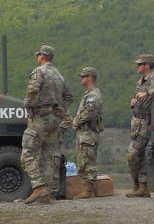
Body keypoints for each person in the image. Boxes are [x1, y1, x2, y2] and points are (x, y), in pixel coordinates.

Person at [21, 45, 73, 204]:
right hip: (55, 120)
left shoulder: (39, 71)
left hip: (40, 117)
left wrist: (29, 105)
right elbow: (69, 97)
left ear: (42, 56)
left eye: (38, 55)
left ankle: (38, 187)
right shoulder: (59, 76)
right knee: (48, 156)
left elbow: (32, 90)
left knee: (27, 154)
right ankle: (48, 194)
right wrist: (60, 110)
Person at [126, 54, 154, 198]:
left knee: (133, 153)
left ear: (147, 66)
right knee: (140, 155)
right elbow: (138, 96)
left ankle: (139, 185)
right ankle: (141, 187)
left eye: (140, 64)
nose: (137, 67)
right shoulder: (140, 81)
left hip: (146, 122)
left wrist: (147, 93)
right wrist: (133, 101)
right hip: (136, 121)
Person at [71, 67, 104, 199]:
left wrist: (76, 121)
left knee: (87, 162)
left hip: (88, 134)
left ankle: (88, 191)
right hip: (84, 134)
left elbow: (90, 113)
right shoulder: (89, 94)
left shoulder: (93, 95)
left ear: (90, 77)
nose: (81, 79)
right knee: (82, 161)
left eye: (83, 76)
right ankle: (90, 190)